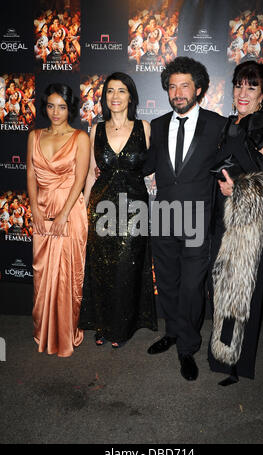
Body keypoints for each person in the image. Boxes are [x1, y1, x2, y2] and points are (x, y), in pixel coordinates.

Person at [144, 56, 226, 381]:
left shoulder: (218, 125)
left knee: (192, 288)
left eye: (185, 86)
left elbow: (230, 166)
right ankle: (173, 332)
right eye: (173, 86)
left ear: (199, 88)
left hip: (196, 220)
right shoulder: (159, 124)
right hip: (163, 217)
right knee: (167, 283)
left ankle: (187, 348)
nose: (178, 92)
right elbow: (147, 164)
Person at [208, 60, 263, 385]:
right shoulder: (231, 124)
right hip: (226, 218)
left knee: (242, 294)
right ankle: (222, 354)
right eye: (239, 85)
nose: (243, 92)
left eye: (251, 86)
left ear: (262, 93)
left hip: (251, 224)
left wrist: (238, 188)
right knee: (223, 289)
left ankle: (236, 364)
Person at [80, 72, 157, 347]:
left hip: (134, 209)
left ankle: (122, 328)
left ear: (131, 97)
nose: (115, 96)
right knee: (101, 268)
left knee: (127, 269)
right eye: (110, 91)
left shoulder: (144, 128)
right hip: (101, 206)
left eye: (121, 90)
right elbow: (90, 173)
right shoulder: (96, 129)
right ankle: (102, 325)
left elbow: (155, 170)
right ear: (104, 97)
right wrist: (82, 208)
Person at [27, 83, 90, 357]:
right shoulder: (34, 136)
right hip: (42, 210)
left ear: (70, 109)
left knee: (68, 276)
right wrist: (36, 211)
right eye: (51, 106)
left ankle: (66, 334)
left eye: (62, 107)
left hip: (70, 212)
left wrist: (64, 214)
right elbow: (30, 175)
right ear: (45, 107)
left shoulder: (80, 137)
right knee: (42, 275)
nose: (55, 112)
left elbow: (81, 178)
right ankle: (43, 331)